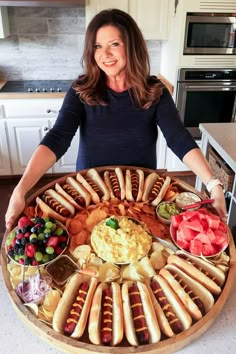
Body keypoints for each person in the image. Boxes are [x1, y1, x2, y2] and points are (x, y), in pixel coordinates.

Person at [5, 8, 227, 230]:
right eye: (97, 46)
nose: (105, 54)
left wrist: (213, 183)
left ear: (131, 46)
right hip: (90, 197)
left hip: (140, 199)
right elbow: (57, 138)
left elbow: (178, 138)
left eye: (114, 44)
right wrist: (21, 189)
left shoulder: (154, 91)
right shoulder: (81, 90)